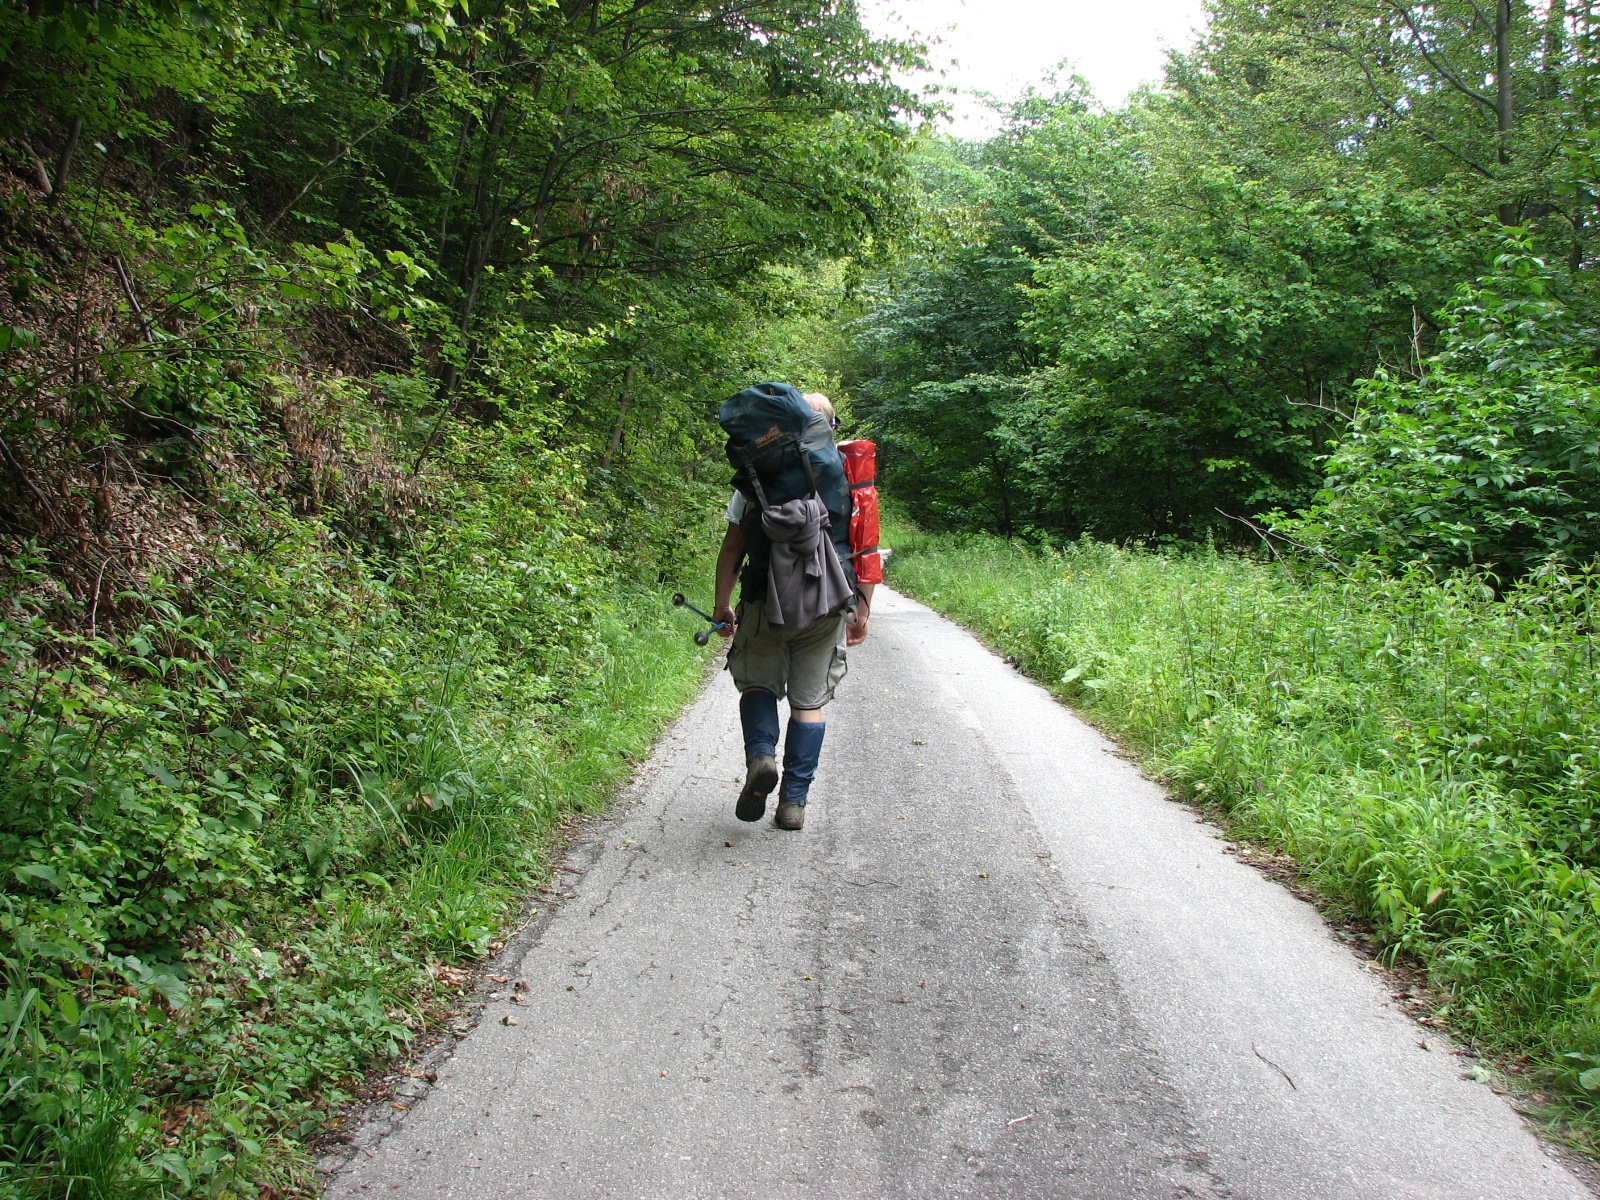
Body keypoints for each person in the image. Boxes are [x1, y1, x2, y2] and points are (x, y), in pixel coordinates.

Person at [712, 392, 872, 831]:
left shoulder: (756, 475)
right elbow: (864, 548)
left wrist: (722, 604)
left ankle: (762, 757)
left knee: (757, 684)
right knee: (808, 703)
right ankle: (793, 803)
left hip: (765, 599)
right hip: (827, 603)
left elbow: (733, 546)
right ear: (829, 428)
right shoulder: (848, 477)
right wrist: (863, 608)